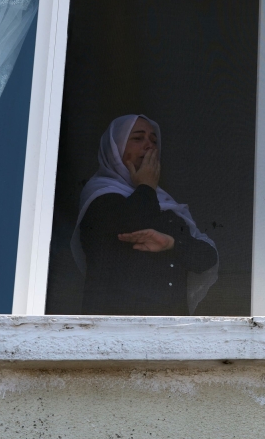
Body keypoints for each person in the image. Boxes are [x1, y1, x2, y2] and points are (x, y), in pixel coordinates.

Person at [71, 115, 219, 315]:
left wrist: (171, 244)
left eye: (154, 141)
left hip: (170, 330)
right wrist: (146, 186)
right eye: (138, 138)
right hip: (116, 330)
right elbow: (131, 224)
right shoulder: (100, 197)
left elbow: (207, 257)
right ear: (115, 149)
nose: (149, 146)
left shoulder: (166, 204)